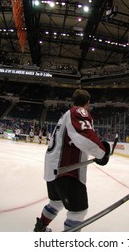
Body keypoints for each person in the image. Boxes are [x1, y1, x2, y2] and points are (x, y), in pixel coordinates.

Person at [33, 89, 110, 232]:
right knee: (78, 211)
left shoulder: (66, 115)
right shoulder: (79, 112)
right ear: (87, 103)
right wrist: (102, 153)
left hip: (53, 169)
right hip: (67, 170)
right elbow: (84, 137)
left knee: (56, 202)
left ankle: (40, 228)